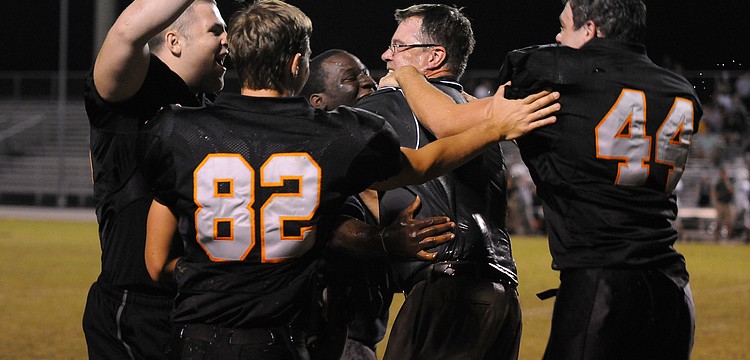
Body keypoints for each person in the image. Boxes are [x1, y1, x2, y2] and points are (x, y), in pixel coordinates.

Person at [138, 1, 560, 359]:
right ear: (298, 63)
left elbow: (157, 262)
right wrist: (495, 125)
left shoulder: (176, 129)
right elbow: (423, 163)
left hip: (196, 335)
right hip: (282, 334)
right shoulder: (334, 133)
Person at [389, 0, 702, 358]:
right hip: (674, 289)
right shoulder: (678, 88)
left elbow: (447, 123)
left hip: (601, 286)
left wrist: (406, 74)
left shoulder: (553, 70)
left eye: (563, 26)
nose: (556, 36)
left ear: (589, 31)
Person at [356, 4, 528, 359]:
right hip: (505, 295)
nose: (387, 55)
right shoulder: (481, 109)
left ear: (434, 56)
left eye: (399, 46)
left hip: (446, 292)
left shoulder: (390, 102)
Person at [82, 0, 228, 359]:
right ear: (175, 42)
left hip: (199, 301)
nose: (228, 40)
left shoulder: (207, 105)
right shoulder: (136, 89)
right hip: (140, 308)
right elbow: (126, 32)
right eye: (216, 30)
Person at [300, 49, 392, 360]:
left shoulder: (369, 159)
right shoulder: (315, 160)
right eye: (351, 78)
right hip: (329, 337)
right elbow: (337, 229)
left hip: (358, 334)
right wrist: (388, 240)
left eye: (367, 73)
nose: (369, 82)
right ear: (318, 102)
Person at [713, 167, 735, 241]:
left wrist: (730, 191)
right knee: (719, 222)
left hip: (728, 203)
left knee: (730, 222)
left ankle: (729, 238)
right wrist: (725, 192)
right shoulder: (719, 184)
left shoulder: (729, 183)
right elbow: (716, 194)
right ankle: (717, 238)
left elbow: (733, 193)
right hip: (721, 204)